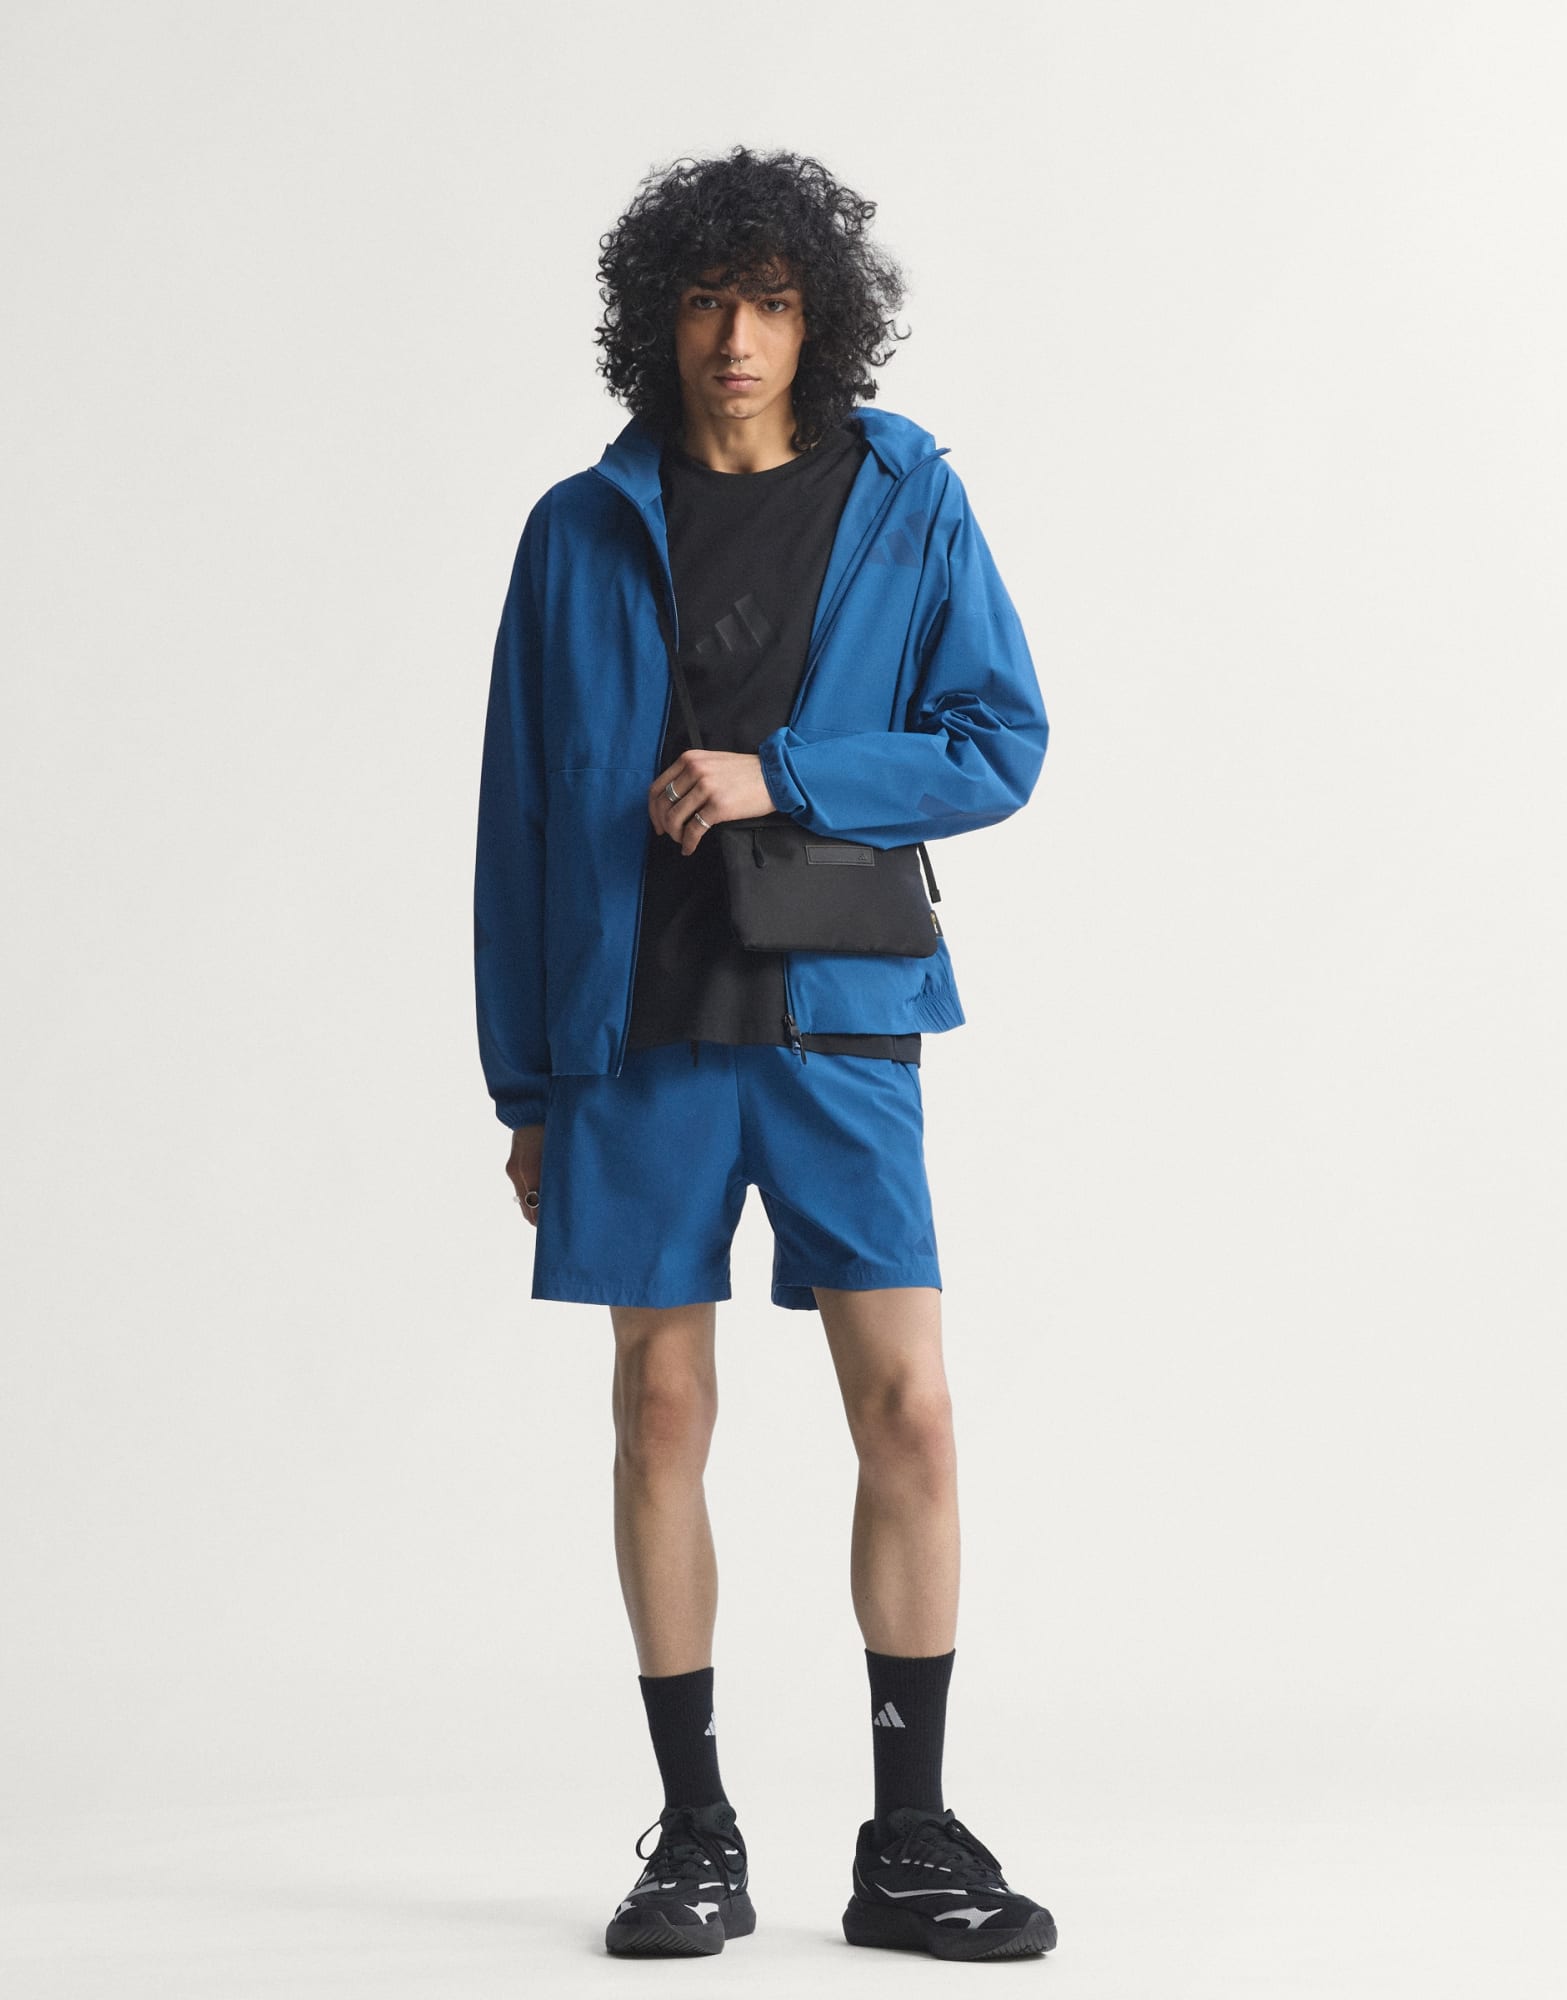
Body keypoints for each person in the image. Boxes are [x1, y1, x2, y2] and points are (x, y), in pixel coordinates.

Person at [473, 145, 1054, 1962]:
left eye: (775, 303)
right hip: (634, 1028)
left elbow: (999, 743)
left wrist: (781, 775)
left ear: (822, 322)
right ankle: (696, 1833)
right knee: (660, 1411)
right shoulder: (578, 528)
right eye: (708, 300)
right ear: (658, 321)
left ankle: (909, 1838)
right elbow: (517, 827)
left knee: (911, 1409)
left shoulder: (906, 496)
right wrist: (523, 1087)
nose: (737, 335)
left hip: (841, 1016)